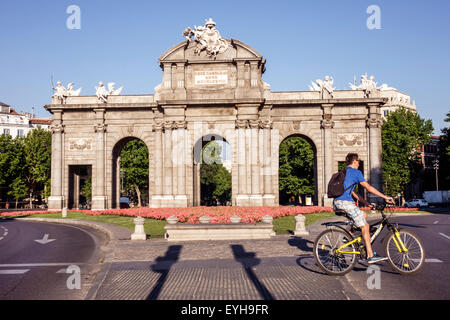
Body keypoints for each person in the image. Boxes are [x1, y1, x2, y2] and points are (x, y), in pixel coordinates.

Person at [334, 153, 395, 264]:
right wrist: (385, 197)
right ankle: (370, 255)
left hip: (338, 203)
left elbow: (354, 193)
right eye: (358, 161)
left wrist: (367, 203)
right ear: (354, 161)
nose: (359, 163)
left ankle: (348, 236)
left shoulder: (344, 172)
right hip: (345, 203)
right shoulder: (356, 172)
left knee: (363, 215)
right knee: (365, 226)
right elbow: (369, 188)